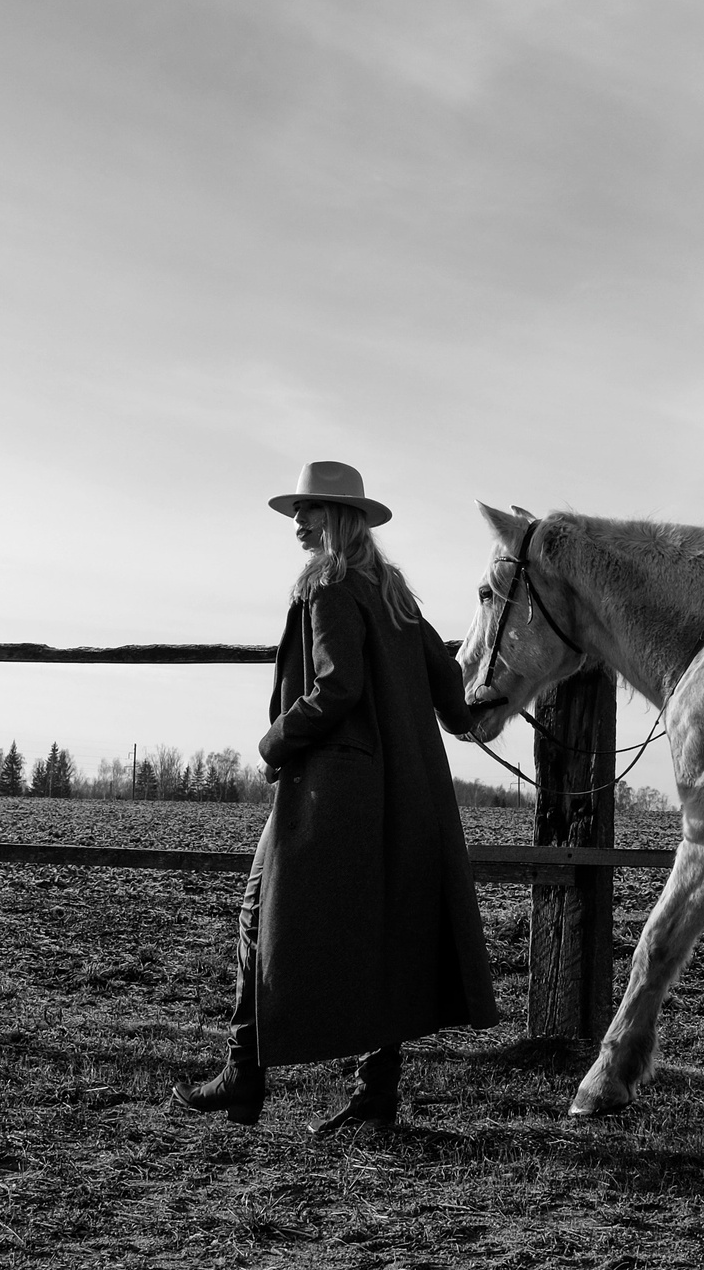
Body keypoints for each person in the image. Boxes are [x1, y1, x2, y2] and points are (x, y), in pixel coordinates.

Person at [172, 460, 500, 1134]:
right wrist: (485, 714)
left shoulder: (328, 584)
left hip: (337, 791)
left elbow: (338, 686)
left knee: (257, 913)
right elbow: (450, 691)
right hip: (406, 791)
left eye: (310, 509)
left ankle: (244, 1080)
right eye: (297, 509)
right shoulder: (395, 589)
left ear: (339, 517)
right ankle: (371, 1098)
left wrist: (275, 742)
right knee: (386, 930)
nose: (298, 521)